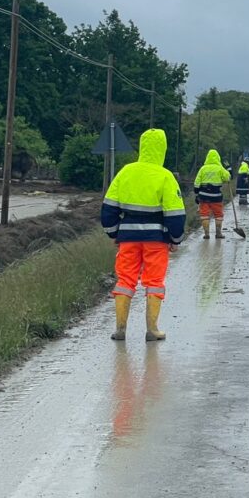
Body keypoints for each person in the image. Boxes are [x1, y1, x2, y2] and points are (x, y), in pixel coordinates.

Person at [101, 128, 186, 342]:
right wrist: (175, 239)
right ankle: (152, 329)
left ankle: (120, 329)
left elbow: (109, 208)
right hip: (156, 240)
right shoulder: (165, 176)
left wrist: (114, 233)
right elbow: (175, 214)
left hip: (127, 238)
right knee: (154, 281)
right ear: (162, 149)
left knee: (125, 280)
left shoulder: (126, 172)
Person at [194, 149, 231, 239]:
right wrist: (228, 169)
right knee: (218, 215)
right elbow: (228, 177)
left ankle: (206, 234)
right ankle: (218, 233)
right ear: (218, 158)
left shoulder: (203, 168)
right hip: (216, 196)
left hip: (203, 196)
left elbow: (196, 182)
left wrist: (196, 193)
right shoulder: (219, 168)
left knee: (204, 215)